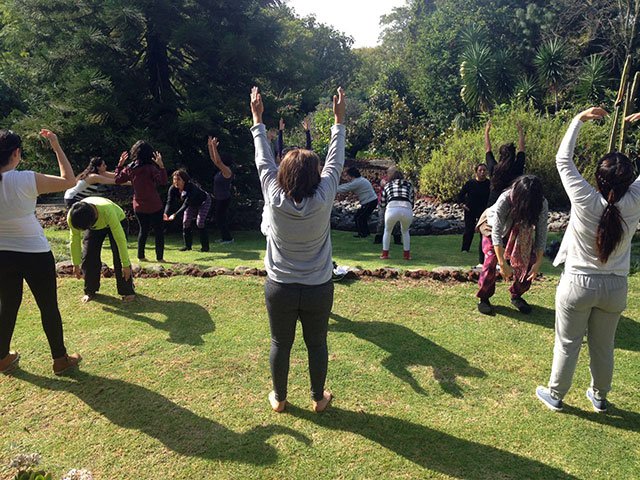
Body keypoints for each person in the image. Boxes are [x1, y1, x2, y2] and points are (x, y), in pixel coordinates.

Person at [536, 108, 640, 413]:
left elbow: (563, 160)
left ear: (598, 177)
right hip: (615, 287)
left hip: (578, 283)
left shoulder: (585, 198)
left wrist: (578, 120)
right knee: (603, 347)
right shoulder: (635, 200)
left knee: (567, 343)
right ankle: (600, 396)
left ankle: (556, 394)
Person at [250, 85, 346, 413]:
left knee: (281, 343)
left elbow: (263, 158)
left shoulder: (273, 196)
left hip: (280, 287)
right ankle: (318, 399)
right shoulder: (324, 196)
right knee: (317, 344)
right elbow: (336, 160)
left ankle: (279, 399)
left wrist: (258, 119)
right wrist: (338, 122)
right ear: (316, 175)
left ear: (283, 174)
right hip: (318, 287)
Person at [0, 128, 81, 375]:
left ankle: (2, 357)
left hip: (2, 253)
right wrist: (56, 145)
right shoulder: (25, 179)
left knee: (7, 305)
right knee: (48, 306)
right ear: (16, 153)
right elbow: (70, 181)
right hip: (34, 252)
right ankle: (60, 359)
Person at [476, 175, 548, 316]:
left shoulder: (541, 203)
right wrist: (502, 263)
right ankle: (483, 298)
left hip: (522, 231)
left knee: (529, 263)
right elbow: (496, 232)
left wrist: (538, 263)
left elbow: (541, 233)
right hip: (492, 227)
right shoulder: (505, 199)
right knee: (491, 260)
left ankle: (516, 295)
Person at [68, 197, 135, 303]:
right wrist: (75, 264)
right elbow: (74, 240)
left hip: (117, 220)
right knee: (89, 255)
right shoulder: (73, 217)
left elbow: (120, 240)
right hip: (93, 223)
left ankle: (127, 291)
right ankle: (90, 290)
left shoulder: (107, 211)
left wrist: (126, 265)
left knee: (118, 256)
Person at [115, 141, 167, 262]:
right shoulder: (151, 168)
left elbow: (118, 180)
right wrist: (161, 166)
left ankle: (141, 256)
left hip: (139, 205)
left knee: (143, 230)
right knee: (159, 231)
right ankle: (160, 258)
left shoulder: (130, 168)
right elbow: (163, 181)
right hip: (154, 204)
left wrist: (120, 165)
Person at [164, 170, 211, 252]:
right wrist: (165, 213)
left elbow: (186, 204)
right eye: (174, 179)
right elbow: (169, 202)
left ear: (184, 180)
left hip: (203, 202)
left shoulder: (191, 188)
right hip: (191, 204)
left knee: (200, 222)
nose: (176, 182)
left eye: (178, 179)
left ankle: (205, 247)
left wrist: (175, 215)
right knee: (186, 222)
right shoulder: (172, 189)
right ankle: (187, 246)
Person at [485, 119, 526, 207]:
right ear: (514, 154)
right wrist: (520, 131)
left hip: (494, 204)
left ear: (500, 154)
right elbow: (522, 149)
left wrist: (486, 131)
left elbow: (488, 149)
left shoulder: (495, 168)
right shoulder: (517, 167)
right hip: (512, 204)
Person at [380, 168, 415, 260]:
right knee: (405, 231)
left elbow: (382, 202)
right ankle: (407, 255)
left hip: (392, 208)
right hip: (406, 208)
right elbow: (412, 201)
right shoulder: (409, 185)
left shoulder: (388, 185)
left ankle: (385, 254)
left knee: (387, 231)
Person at [458, 163, 490, 264]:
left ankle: (484, 249)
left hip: (483, 211)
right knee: (469, 230)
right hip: (470, 209)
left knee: (483, 231)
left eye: (484, 170)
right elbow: (460, 195)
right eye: (480, 170)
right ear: (476, 172)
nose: (482, 172)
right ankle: (465, 248)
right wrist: (462, 204)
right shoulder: (470, 183)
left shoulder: (489, 184)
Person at [337, 167, 378, 238]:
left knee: (359, 217)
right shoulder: (360, 180)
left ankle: (362, 234)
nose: (346, 177)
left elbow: (345, 188)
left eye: (347, 175)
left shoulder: (357, 182)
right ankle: (365, 233)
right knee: (362, 217)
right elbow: (347, 186)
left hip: (369, 202)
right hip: (371, 201)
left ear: (351, 176)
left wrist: (332, 188)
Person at [207, 137, 234, 244]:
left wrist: (214, 147)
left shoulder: (227, 171)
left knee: (220, 218)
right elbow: (213, 159)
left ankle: (228, 238)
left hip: (224, 199)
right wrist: (210, 146)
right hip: (219, 198)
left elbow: (218, 161)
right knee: (219, 218)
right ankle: (224, 237)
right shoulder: (221, 171)